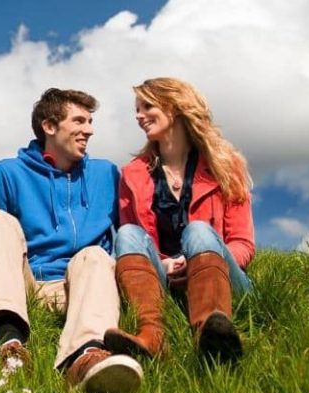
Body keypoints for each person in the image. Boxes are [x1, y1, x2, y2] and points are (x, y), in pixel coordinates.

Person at [0, 88, 143, 393]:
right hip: (28, 286)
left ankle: (86, 356)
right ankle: (10, 341)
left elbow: (132, 237)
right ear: (50, 126)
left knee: (94, 254)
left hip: (81, 287)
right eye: (79, 121)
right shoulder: (9, 173)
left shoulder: (106, 174)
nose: (89, 129)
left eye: (90, 121)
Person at [104, 77, 254, 364]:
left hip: (222, 279)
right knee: (127, 234)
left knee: (198, 231)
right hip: (166, 282)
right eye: (137, 108)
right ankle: (152, 335)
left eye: (147, 106)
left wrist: (195, 260)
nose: (138, 115)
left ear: (173, 107)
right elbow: (136, 242)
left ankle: (213, 332)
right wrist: (161, 263)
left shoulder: (225, 165)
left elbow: (243, 244)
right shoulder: (132, 174)